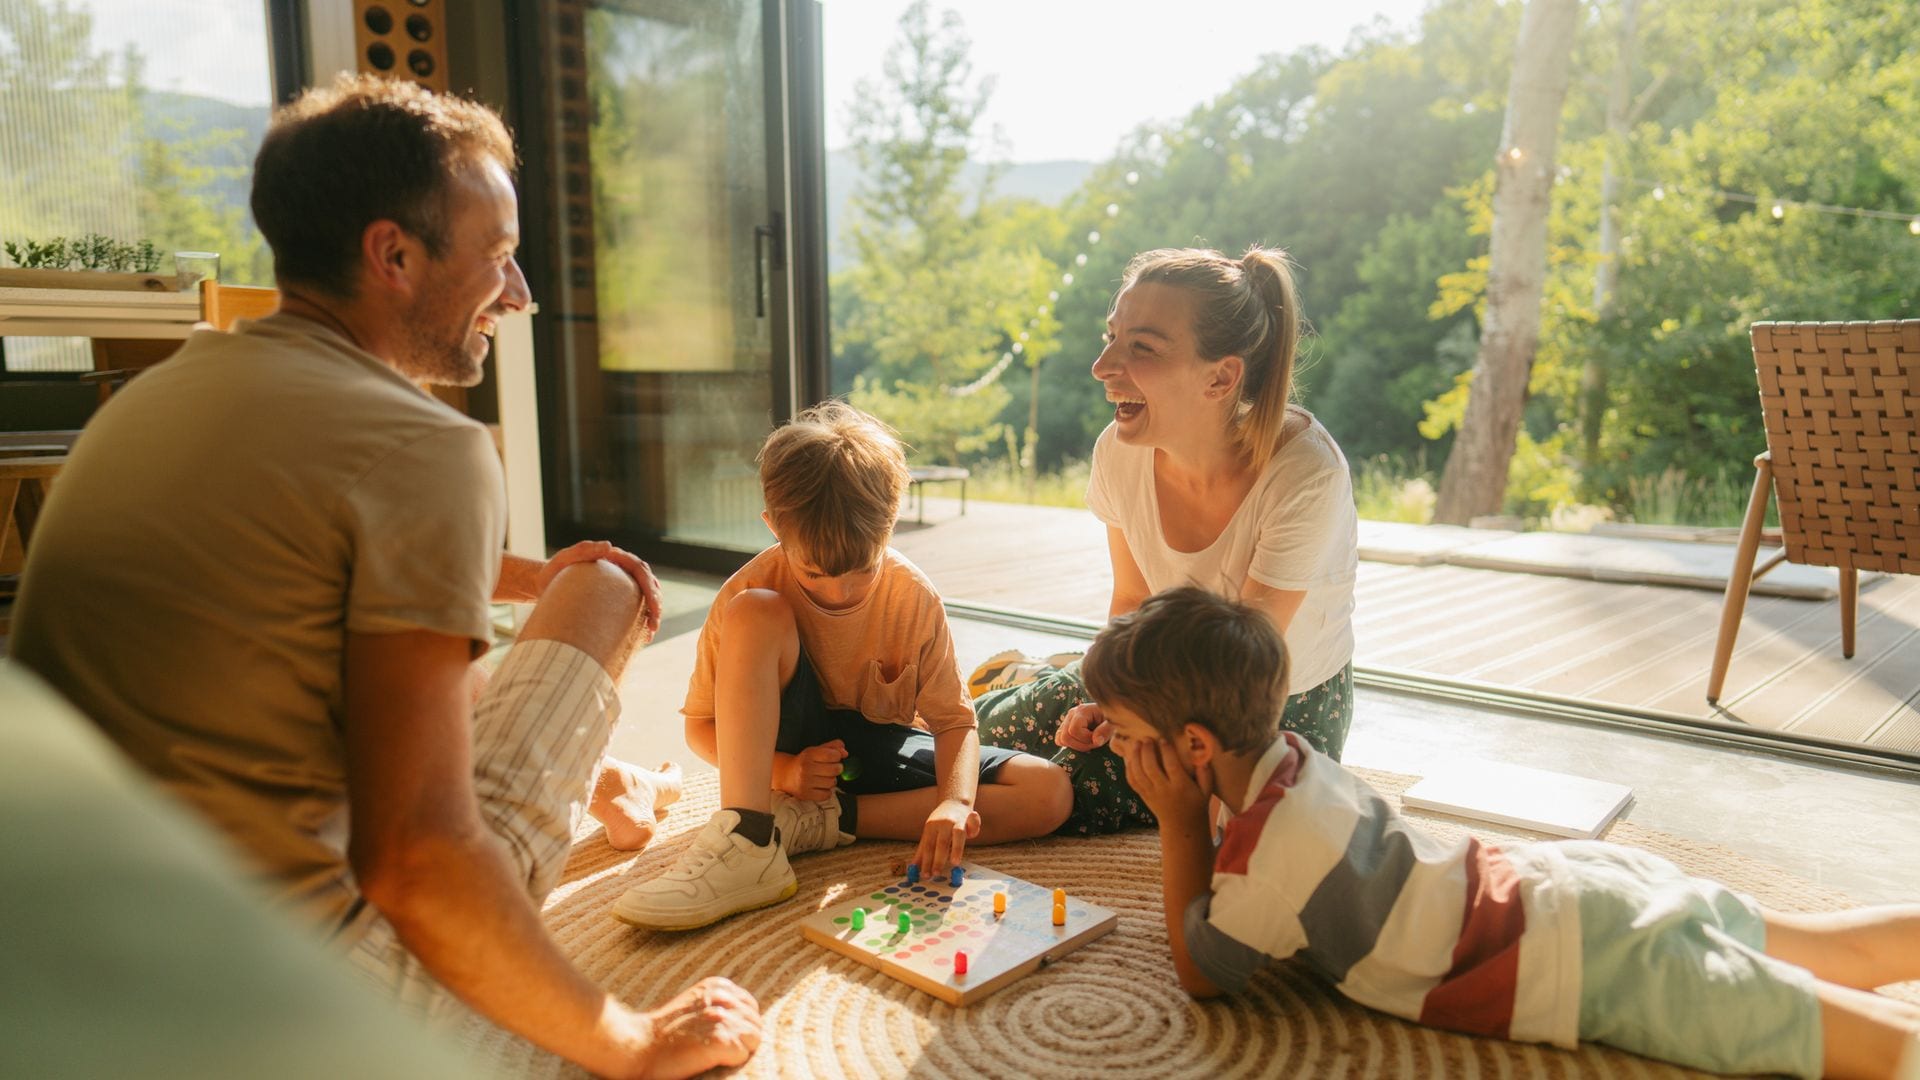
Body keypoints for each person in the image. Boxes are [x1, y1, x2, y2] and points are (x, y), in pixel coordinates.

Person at [10, 75, 759, 1079]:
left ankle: (606, 786)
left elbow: (311, 554)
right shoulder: (424, 449)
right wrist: (630, 1039)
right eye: (498, 257)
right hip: (284, 1000)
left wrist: (529, 575)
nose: (517, 293)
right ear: (393, 255)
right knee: (609, 592)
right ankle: (596, 808)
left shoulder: (161, 394)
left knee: (485, 645)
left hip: (75, 950)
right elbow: (418, 862)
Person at [1084, 587, 1920, 1080]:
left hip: (1580, 959)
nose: (1120, 745)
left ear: (1195, 746)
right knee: (1822, 948)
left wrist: (1179, 823)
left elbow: (1203, 973)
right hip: (1574, 886)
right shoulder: (1291, 758)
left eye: (1124, 731)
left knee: (1866, 1046)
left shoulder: (1268, 857)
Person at [613, 402, 1074, 930]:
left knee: (1050, 792)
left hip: (876, 752)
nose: (842, 591)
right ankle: (749, 837)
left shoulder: (913, 596)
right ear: (773, 527)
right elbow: (700, 729)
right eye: (813, 574)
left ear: (891, 521)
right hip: (784, 755)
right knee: (756, 613)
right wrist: (784, 770)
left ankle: (824, 824)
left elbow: (953, 721)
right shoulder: (746, 593)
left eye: (862, 569)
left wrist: (952, 803)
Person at [976, 245, 1359, 834]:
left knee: (1058, 785)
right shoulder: (1119, 450)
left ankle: (841, 814)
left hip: (1264, 706)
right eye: (1111, 338)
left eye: (1142, 348)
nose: (1103, 366)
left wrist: (1130, 717)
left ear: (1222, 376)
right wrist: (1106, 696)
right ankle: (1030, 680)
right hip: (1159, 674)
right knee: (977, 730)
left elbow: (1241, 669)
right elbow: (1131, 600)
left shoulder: (1306, 473)